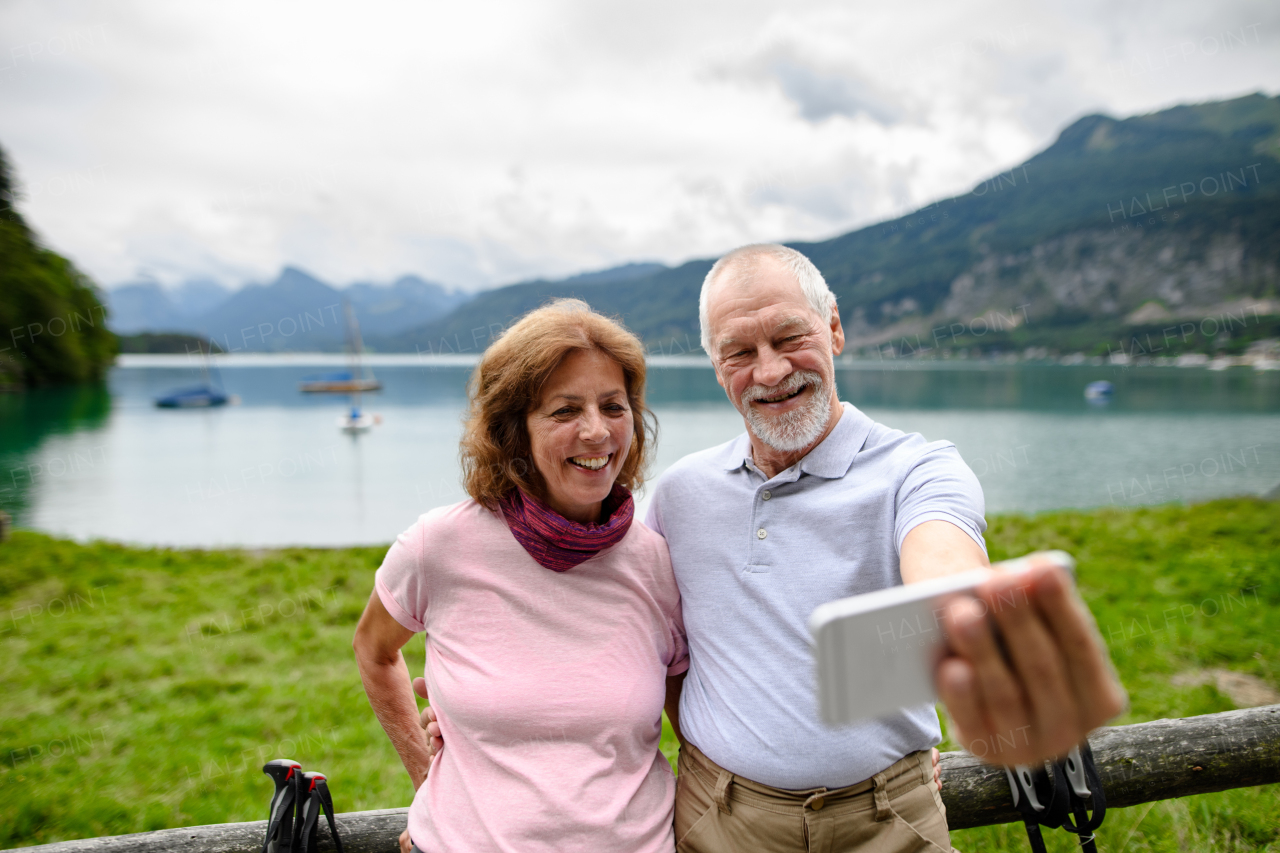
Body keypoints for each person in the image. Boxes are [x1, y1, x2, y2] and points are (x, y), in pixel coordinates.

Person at [644, 243, 1127, 851]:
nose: (769, 372)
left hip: (886, 820)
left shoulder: (920, 469)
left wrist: (978, 627)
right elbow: (658, 634)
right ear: (716, 366)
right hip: (715, 818)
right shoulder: (679, 492)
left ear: (835, 328)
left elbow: (945, 565)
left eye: (789, 337)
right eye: (739, 352)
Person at [352, 299, 690, 853]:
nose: (596, 432)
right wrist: (426, 776)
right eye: (563, 411)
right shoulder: (439, 546)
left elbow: (696, 727)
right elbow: (374, 649)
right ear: (513, 431)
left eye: (613, 406)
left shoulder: (656, 560)